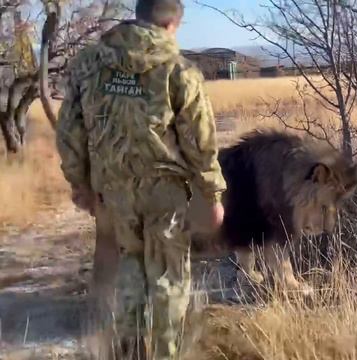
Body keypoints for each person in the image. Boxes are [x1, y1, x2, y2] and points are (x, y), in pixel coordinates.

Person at [55, 0, 226, 358]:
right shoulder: (180, 71)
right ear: (171, 26)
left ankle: (129, 352)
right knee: (169, 280)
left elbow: (69, 131)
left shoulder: (89, 64)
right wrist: (211, 197)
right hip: (166, 197)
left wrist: (80, 185)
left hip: (114, 193)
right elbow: (201, 143)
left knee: (130, 269)